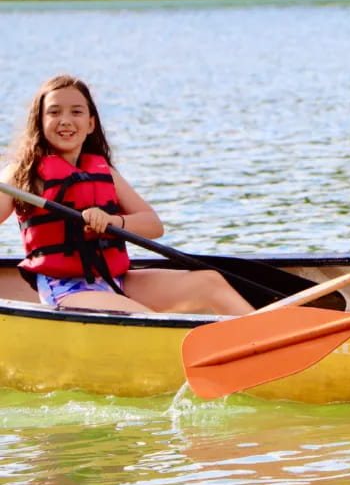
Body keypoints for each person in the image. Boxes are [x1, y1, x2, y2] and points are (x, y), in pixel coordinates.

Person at [0, 74, 253, 315]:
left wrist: (113, 222)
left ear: (90, 124)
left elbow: (153, 225)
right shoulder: (22, 172)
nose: (65, 120)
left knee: (209, 282)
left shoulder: (104, 171)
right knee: (149, 320)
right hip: (66, 289)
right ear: (39, 122)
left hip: (117, 279)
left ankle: (271, 341)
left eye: (76, 111)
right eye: (54, 112)